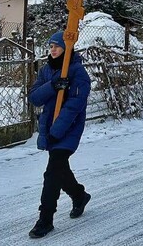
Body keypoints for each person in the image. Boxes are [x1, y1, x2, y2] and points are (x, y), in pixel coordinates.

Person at [28, 31, 92, 238]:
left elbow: (75, 106)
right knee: (60, 169)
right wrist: (53, 86)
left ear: (67, 48)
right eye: (51, 46)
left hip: (69, 129)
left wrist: (57, 131)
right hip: (50, 127)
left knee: (52, 172)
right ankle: (79, 195)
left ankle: (45, 219)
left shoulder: (78, 73)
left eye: (57, 46)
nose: (52, 49)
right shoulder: (47, 71)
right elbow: (35, 98)